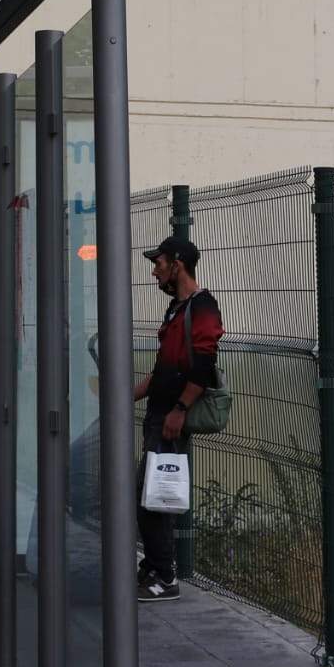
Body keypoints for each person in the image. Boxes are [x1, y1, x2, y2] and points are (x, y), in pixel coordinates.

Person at [133, 234, 222, 601]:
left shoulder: (202, 306)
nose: (154, 271)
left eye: (159, 263)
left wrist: (180, 410)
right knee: (148, 494)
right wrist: (126, 396)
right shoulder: (176, 309)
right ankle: (153, 567)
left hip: (171, 420)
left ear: (177, 264)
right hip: (159, 415)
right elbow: (162, 370)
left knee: (154, 497)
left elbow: (203, 364)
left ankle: (164, 576)